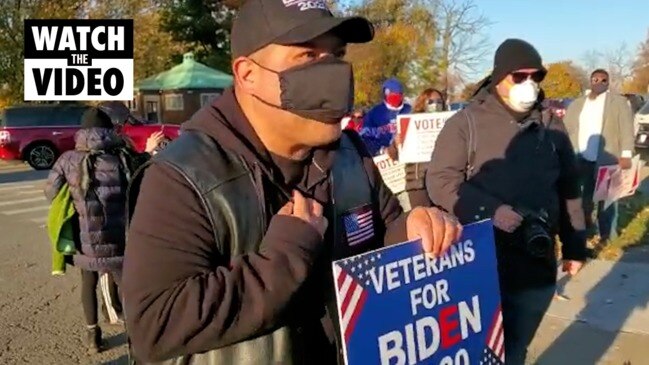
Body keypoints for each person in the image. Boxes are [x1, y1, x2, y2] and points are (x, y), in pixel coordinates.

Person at [121, 1, 462, 364]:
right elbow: (154, 325)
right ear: (248, 74)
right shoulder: (183, 176)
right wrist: (285, 257)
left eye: (337, 55)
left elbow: (385, 230)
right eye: (308, 55)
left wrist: (414, 230)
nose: (334, 74)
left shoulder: (351, 153)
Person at [426, 39, 588, 365]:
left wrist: (575, 247)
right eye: (519, 76)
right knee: (480, 350)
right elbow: (441, 180)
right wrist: (490, 210)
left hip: (536, 263)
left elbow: (569, 187)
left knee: (515, 349)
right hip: (481, 263)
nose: (528, 84)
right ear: (499, 77)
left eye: (535, 76)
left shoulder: (551, 125)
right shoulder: (466, 123)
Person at [43, 108, 145, 353]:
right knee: (126, 286)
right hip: (121, 237)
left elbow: (51, 192)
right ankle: (135, 338)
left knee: (88, 283)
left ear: (82, 132)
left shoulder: (68, 159)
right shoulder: (123, 156)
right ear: (109, 130)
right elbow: (142, 181)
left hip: (85, 236)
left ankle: (93, 338)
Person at [563, 69, 636, 243]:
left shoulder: (618, 103)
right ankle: (586, 231)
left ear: (608, 83)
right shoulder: (578, 104)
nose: (599, 82)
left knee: (608, 201)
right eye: (595, 79)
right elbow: (567, 129)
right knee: (584, 199)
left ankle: (607, 236)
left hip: (607, 159)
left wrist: (626, 154)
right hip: (580, 157)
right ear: (590, 81)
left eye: (603, 80)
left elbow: (626, 129)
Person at [387, 88, 446, 210]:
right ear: (422, 103)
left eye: (439, 101)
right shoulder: (409, 124)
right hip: (417, 184)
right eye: (431, 102)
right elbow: (393, 155)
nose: (436, 105)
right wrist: (396, 144)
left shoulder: (449, 123)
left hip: (442, 183)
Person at [359, 78, 412, 156]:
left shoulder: (409, 110)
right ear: (385, 94)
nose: (395, 98)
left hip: (408, 153)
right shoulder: (374, 113)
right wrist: (381, 150)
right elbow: (365, 137)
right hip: (383, 157)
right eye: (392, 95)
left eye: (398, 95)